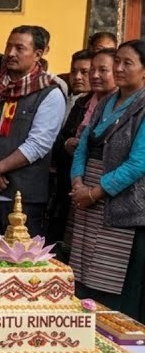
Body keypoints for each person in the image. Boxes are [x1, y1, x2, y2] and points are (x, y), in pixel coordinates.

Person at [0, 25, 65, 251]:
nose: (10, 53)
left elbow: (39, 144)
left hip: (23, 199)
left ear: (38, 54)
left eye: (20, 48)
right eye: (9, 46)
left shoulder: (50, 92)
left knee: (19, 270)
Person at [69, 40, 145, 319]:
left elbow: (139, 163)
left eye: (128, 63)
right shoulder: (105, 102)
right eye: (118, 62)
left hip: (120, 204)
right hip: (87, 200)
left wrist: (96, 192)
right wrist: (77, 181)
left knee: (111, 287)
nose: (119, 68)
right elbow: (83, 146)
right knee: (84, 276)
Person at [49, 48, 115, 254]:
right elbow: (58, 143)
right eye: (91, 70)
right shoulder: (82, 103)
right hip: (73, 185)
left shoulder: (127, 107)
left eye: (101, 70)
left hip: (104, 189)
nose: (93, 76)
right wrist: (68, 144)